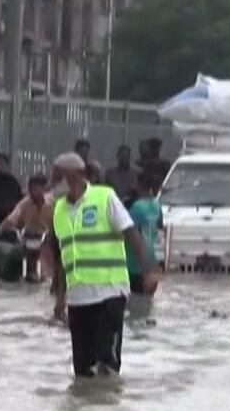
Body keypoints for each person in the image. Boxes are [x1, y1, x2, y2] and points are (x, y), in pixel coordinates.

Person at [46, 152, 157, 377]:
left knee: (107, 363)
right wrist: (60, 297)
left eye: (57, 177)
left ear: (73, 176)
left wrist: (149, 272)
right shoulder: (58, 209)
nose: (52, 183)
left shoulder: (105, 198)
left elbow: (132, 234)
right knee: (83, 369)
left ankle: (108, 408)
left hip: (110, 293)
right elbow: (62, 256)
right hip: (78, 298)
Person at [0, 174, 52, 282]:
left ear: (45, 189)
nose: (32, 193)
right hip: (27, 237)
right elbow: (12, 217)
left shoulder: (54, 204)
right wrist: (0, 229)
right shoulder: (24, 204)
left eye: (36, 189)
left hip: (47, 239)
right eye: (30, 189)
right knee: (13, 257)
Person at [126, 173, 164, 319]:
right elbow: (159, 231)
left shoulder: (136, 207)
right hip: (153, 260)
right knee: (147, 304)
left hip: (135, 264)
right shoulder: (156, 205)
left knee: (133, 308)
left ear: (140, 185)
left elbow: (128, 231)